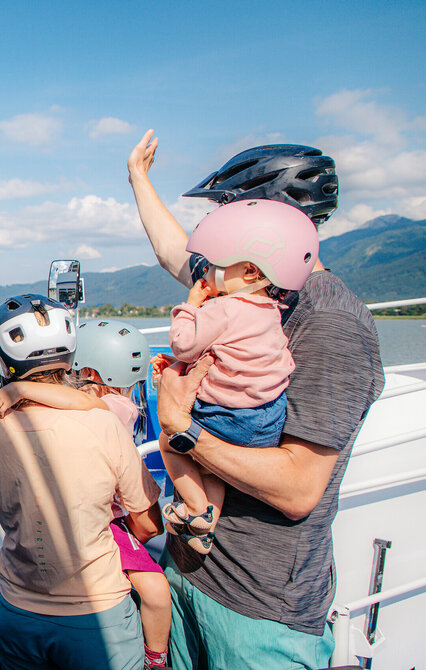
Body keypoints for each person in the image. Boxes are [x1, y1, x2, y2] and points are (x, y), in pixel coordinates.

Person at [127, 130, 385, 669]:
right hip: (191, 575)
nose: (213, 229)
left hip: (258, 612)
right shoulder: (246, 284)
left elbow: (297, 488)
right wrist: (138, 179)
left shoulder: (331, 324)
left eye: (227, 212)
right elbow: (176, 253)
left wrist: (181, 427)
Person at [0, 295, 163, 670]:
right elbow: (148, 523)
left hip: (17, 613)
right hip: (97, 617)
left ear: (4, 363)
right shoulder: (105, 425)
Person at [159, 199, 319, 555]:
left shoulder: (225, 308)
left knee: (170, 446)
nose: (208, 271)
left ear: (249, 272)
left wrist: (190, 306)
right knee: (216, 471)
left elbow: (185, 345)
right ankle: (205, 526)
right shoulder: (271, 309)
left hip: (228, 415)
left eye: (217, 264)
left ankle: (197, 507)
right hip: (267, 419)